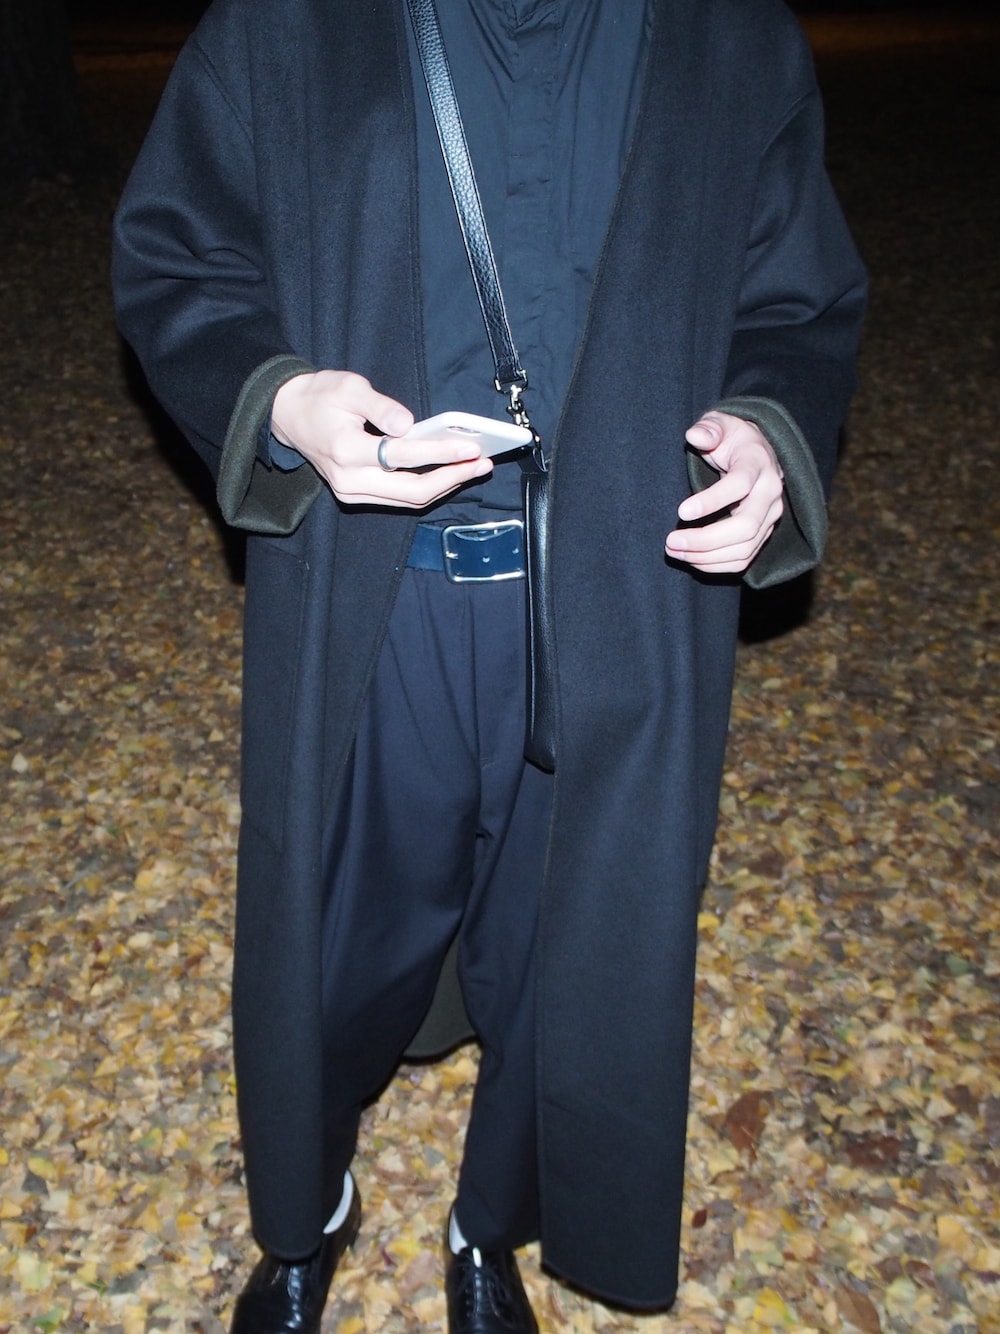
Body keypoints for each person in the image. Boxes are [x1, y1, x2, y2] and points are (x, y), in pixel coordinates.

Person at [112, 0, 866, 1330]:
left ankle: (487, 1223)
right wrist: (279, 397)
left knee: (562, 952)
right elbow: (177, 252)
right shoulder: (287, 26)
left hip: (620, 599)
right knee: (332, 952)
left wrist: (766, 430)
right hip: (374, 599)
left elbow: (794, 298)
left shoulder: (730, 38)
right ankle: (311, 1203)